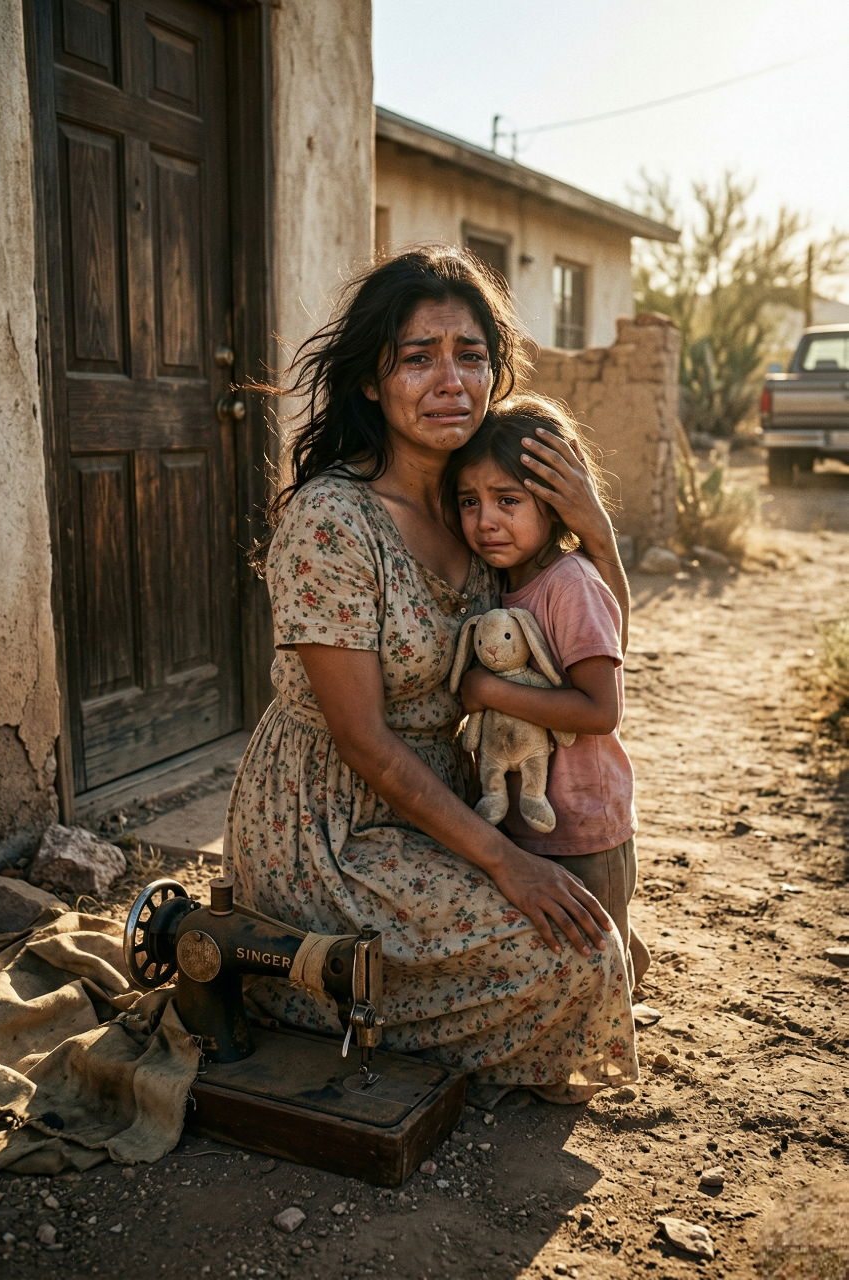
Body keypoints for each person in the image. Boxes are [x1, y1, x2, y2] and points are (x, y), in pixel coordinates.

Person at [224, 247, 637, 1101]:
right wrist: (506, 864)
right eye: (418, 358)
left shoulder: (483, 499)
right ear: (373, 383)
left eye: (471, 354)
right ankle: (278, 974)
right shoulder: (333, 521)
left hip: (446, 800)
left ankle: (373, 994)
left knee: (599, 946)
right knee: (582, 958)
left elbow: (590, 645)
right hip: (328, 828)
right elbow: (363, 739)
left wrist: (595, 531)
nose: (450, 379)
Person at [441, 394, 651, 990]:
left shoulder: (570, 583)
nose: (486, 521)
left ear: (556, 506)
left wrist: (484, 690)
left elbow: (601, 709)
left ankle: (621, 975)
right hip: (525, 821)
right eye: (470, 502)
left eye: (509, 500)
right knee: (566, 943)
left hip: (584, 823)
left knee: (587, 960)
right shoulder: (498, 585)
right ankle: (626, 952)